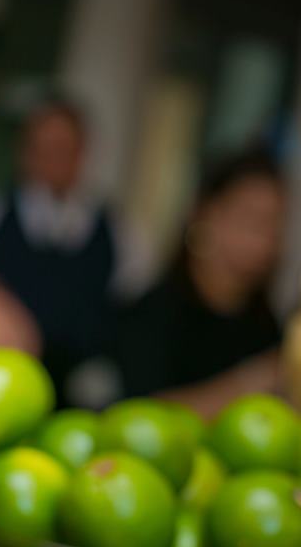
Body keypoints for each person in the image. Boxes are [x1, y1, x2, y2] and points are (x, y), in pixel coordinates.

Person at [0, 98, 146, 407]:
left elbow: (126, 305)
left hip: (81, 395)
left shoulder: (118, 230)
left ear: (83, 153)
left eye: (65, 149)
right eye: (43, 149)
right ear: (24, 152)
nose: (54, 160)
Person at [115, 150, 285, 417]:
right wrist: (254, 380)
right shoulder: (155, 313)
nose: (264, 239)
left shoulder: (265, 324)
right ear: (206, 214)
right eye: (252, 219)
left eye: (274, 223)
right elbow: (139, 414)